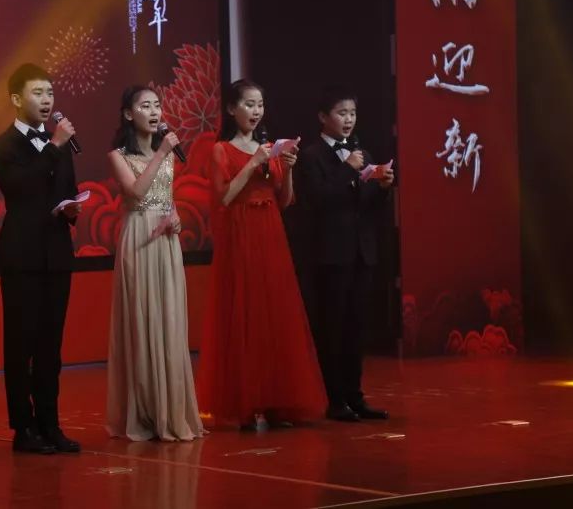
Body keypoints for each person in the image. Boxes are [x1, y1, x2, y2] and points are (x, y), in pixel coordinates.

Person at [197, 80, 326, 429]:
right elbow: (224, 198)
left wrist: (289, 167)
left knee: (275, 312)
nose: (256, 111)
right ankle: (245, 402)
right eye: (249, 104)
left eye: (260, 105)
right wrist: (253, 162)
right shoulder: (222, 150)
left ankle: (276, 400)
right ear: (231, 109)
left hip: (270, 232)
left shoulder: (268, 149)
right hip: (241, 234)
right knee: (246, 313)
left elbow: (284, 200)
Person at [0, 63, 82, 455]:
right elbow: (21, 188)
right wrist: (54, 146)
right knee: (20, 343)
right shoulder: (1, 146)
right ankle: (23, 428)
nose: (46, 100)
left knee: (50, 345)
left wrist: (72, 208)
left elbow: (67, 187)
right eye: (38, 93)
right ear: (16, 99)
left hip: (56, 252)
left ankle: (50, 424)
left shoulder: (59, 141)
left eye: (50, 92)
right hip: (22, 254)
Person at [105, 85, 205, 442]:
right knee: (142, 319)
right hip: (139, 237)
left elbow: (166, 197)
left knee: (169, 320)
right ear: (128, 114)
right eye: (145, 106)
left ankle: (171, 410)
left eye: (157, 105)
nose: (154, 112)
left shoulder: (168, 155)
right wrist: (162, 152)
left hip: (166, 240)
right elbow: (136, 192)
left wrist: (175, 216)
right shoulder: (118, 155)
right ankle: (146, 411)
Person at [293, 87, 394, 422]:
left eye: (352, 113)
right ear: (323, 117)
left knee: (356, 328)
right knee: (332, 329)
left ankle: (355, 396)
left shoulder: (361, 152)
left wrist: (381, 188)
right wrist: (348, 169)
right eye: (341, 113)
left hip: (361, 253)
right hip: (330, 255)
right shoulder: (311, 156)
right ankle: (334, 399)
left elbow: (364, 207)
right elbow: (317, 200)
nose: (348, 119)